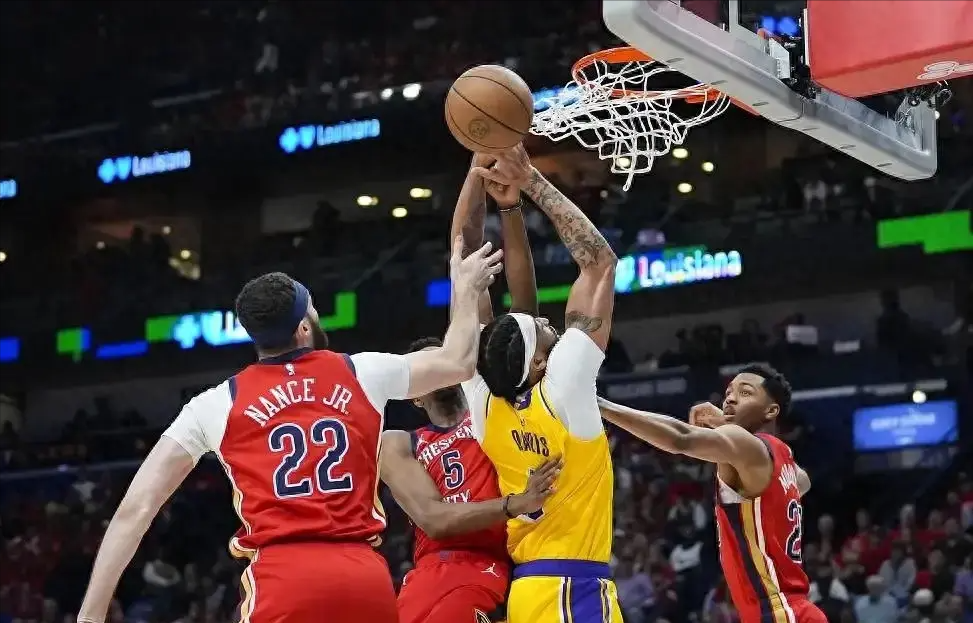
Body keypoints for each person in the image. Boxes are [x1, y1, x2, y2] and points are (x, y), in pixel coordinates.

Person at [76, 238, 503, 623]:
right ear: (303, 326)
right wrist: (464, 288)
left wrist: (91, 614)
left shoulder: (216, 403)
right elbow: (458, 362)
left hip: (284, 579)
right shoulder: (361, 371)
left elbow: (135, 510)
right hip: (363, 579)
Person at [383, 153, 559, 623]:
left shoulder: (488, 399)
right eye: (426, 369)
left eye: (442, 358)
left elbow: (470, 263)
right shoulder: (400, 443)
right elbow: (435, 520)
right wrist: (514, 504)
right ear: (414, 393)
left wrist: (482, 173)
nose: (438, 369)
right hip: (429, 570)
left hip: (495, 564)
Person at [461, 144, 623, 623]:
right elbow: (599, 263)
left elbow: (466, 264)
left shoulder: (484, 401)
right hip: (573, 591)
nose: (550, 323)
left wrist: (488, 189)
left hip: (530, 590)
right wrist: (530, 179)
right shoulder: (562, 388)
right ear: (537, 362)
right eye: (546, 330)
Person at [598, 364, 826, 623]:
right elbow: (804, 482)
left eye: (745, 393)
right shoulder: (783, 456)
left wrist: (601, 406)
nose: (730, 398)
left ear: (771, 411)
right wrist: (725, 422)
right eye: (729, 392)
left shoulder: (747, 446)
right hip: (797, 610)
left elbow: (680, 437)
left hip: (778, 613)